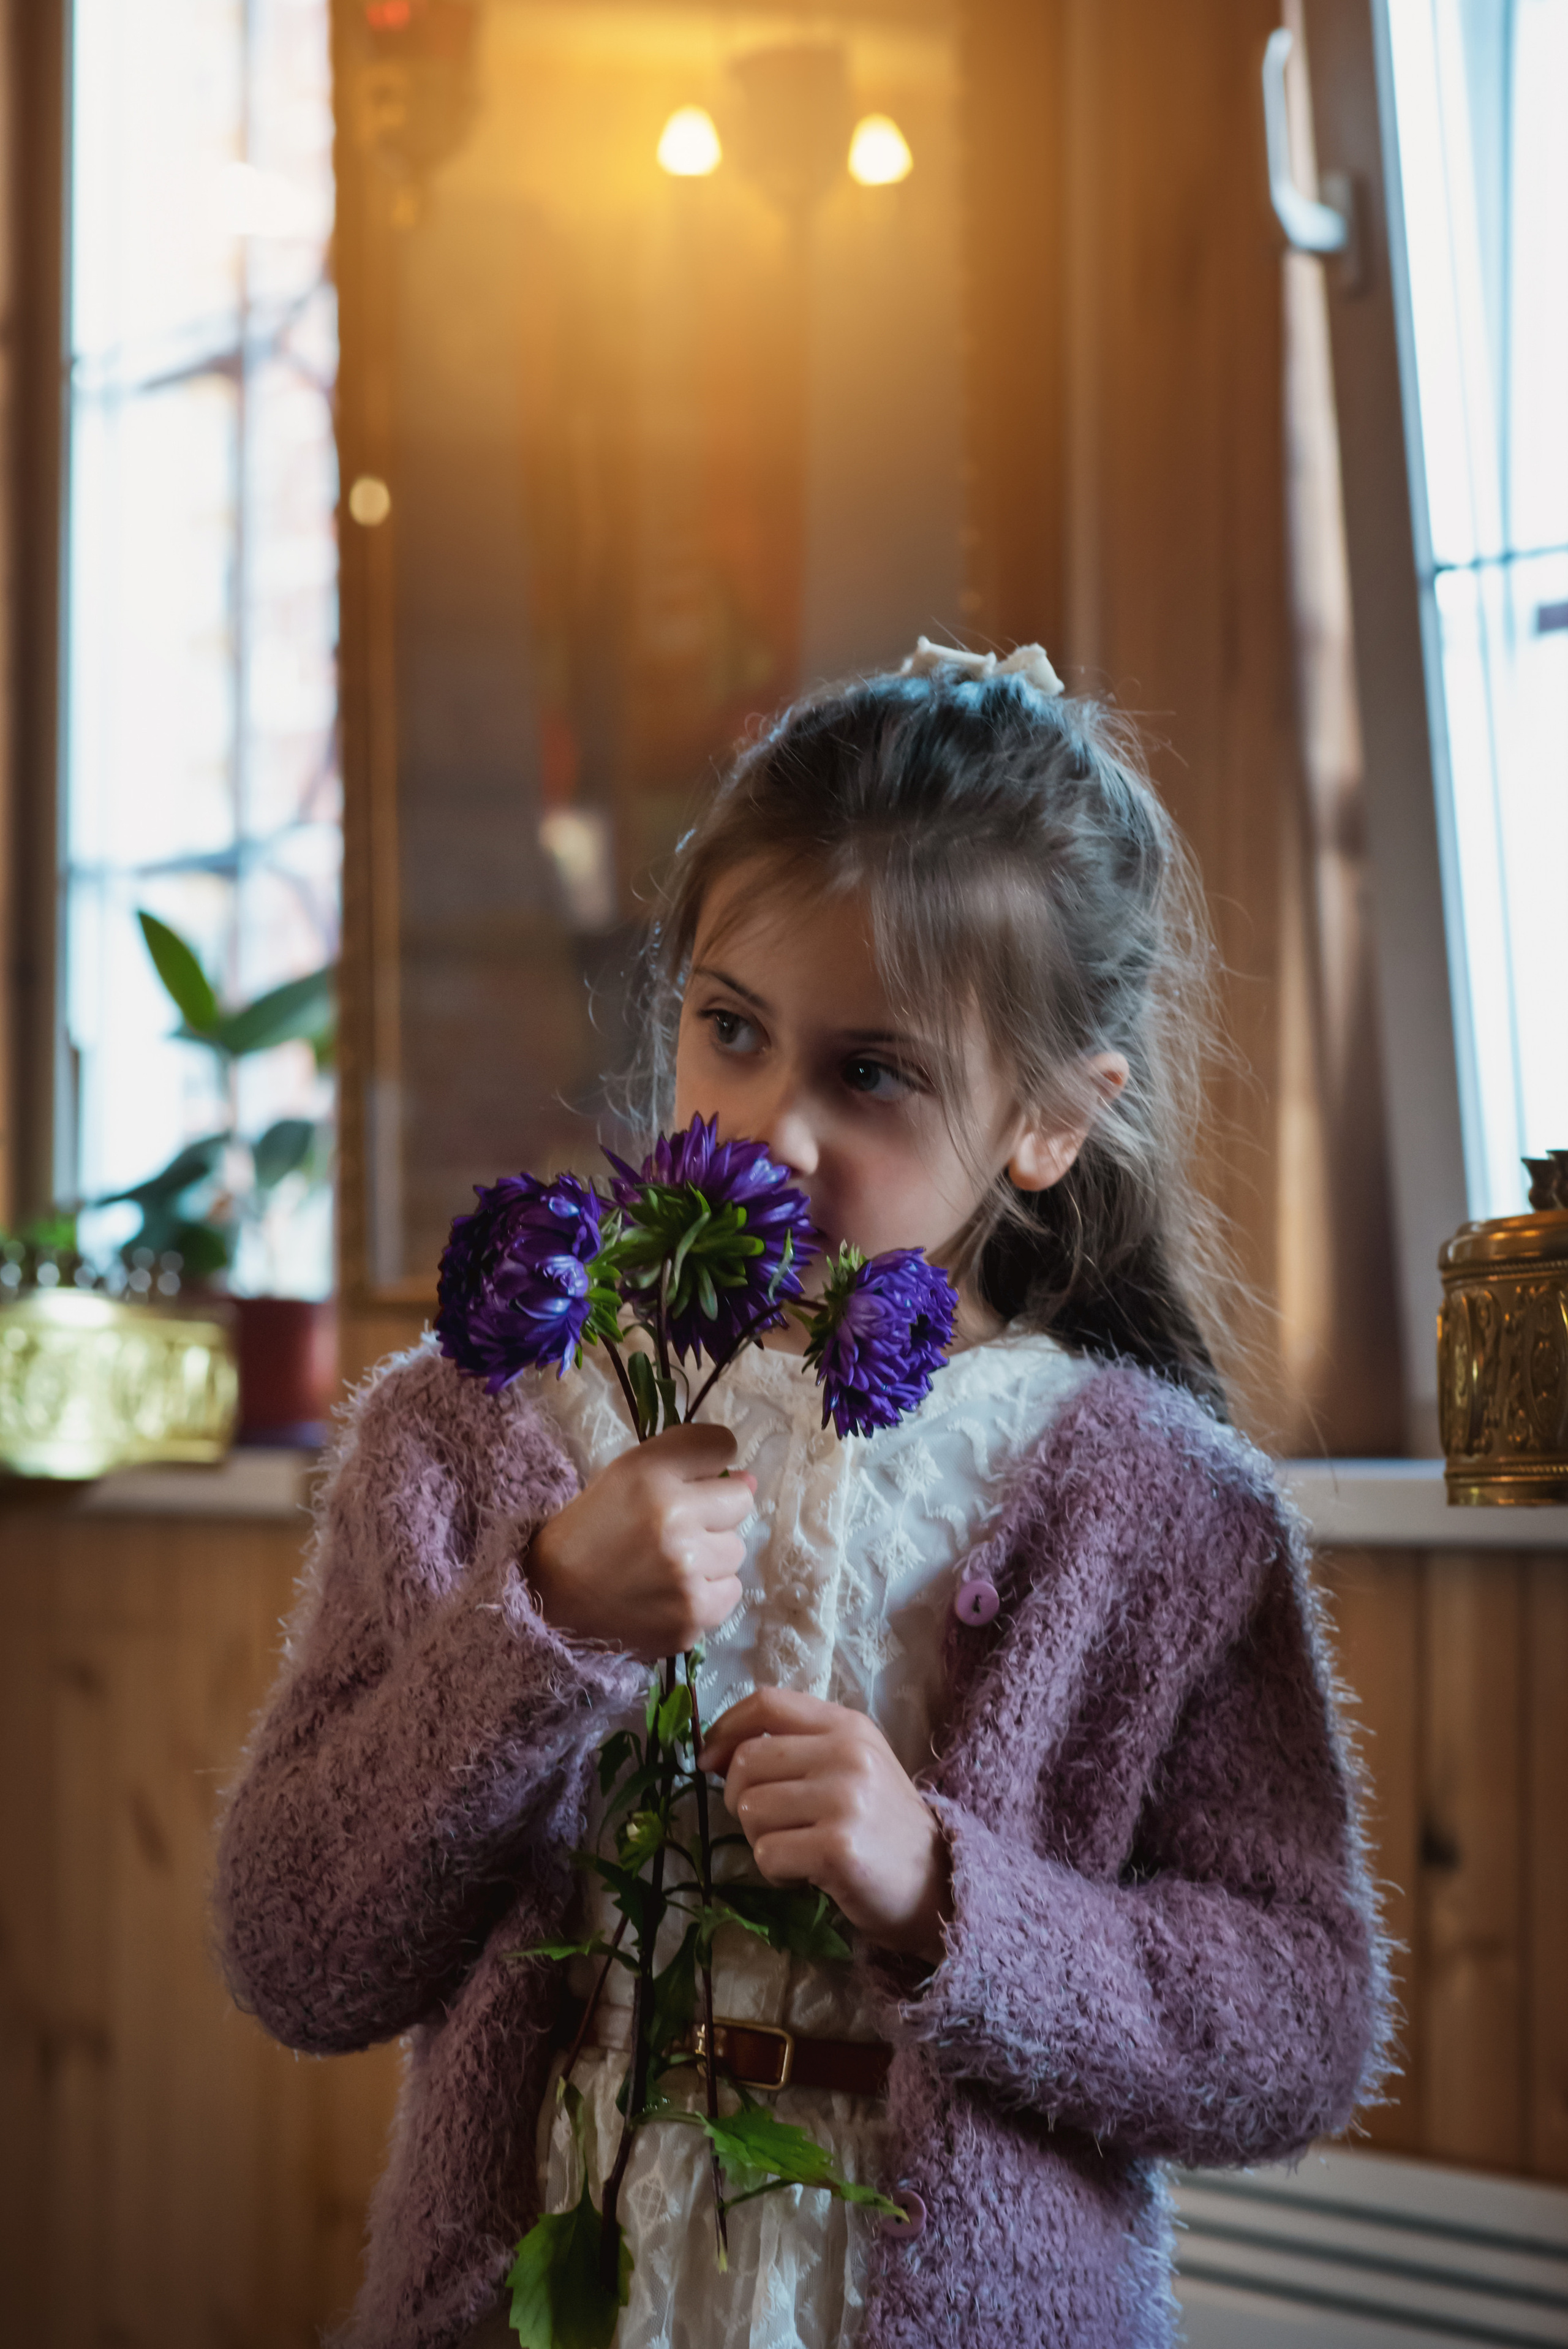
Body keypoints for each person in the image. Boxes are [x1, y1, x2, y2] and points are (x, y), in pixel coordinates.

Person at [215, 641, 1389, 2349]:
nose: (771, 1133)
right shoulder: (485, 1434)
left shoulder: (1158, 1513)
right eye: (734, 1030)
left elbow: (1299, 2024)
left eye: (875, 1073)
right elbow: (295, 1947)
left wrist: (946, 1893)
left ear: (1051, 1123)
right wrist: (535, 1623)